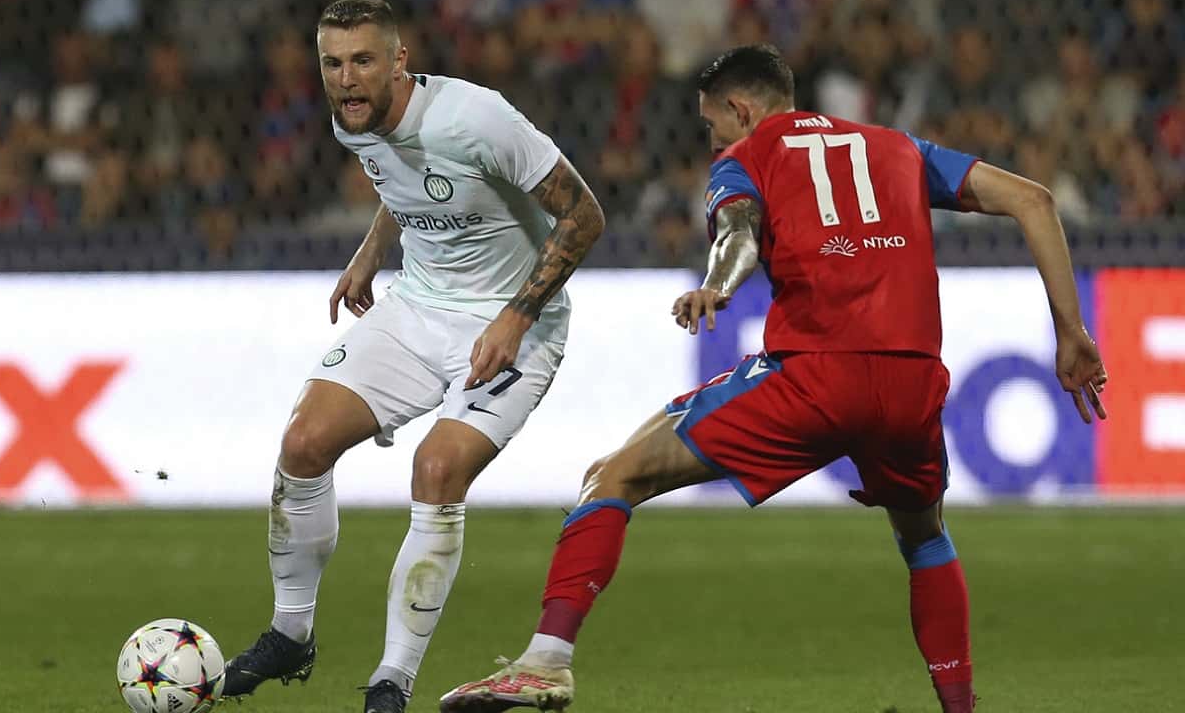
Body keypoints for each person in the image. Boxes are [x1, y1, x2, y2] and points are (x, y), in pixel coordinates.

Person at [438, 44, 1108, 713]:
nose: (711, 140)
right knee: (925, 535)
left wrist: (717, 285)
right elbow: (1035, 200)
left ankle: (545, 663)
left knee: (614, 476)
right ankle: (960, 707)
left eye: (711, 125)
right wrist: (1071, 332)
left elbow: (738, 234)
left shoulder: (748, 157)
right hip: (911, 384)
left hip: (814, 379)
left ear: (740, 109)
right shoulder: (900, 147)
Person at [218, 0, 605, 713]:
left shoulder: (477, 117)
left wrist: (516, 316)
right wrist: (370, 253)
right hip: (417, 307)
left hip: (514, 322)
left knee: (437, 469)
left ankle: (391, 681)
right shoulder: (352, 118)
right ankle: (290, 634)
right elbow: (402, 181)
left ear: (400, 60)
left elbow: (585, 214)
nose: (346, 78)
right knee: (303, 442)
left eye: (363, 60)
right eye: (332, 63)